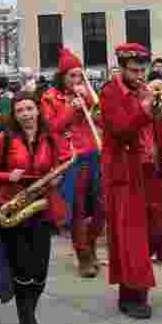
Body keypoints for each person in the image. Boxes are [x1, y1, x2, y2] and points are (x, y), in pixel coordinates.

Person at [100, 43, 162, 319]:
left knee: (150, 230)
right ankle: (134, 293)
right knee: (129, 234)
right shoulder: (109, 93)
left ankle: (132, 290)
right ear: (121, 68)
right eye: (133, 71)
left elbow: (159, 123)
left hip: (150, 170)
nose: (139, 76)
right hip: (124, 171)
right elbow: (120, 129)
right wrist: (144, 108)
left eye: (142, 70)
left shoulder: (145, 90)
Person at [0, 91, 66, 324]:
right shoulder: (4, 138)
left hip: (42, 207)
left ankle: (30, 311)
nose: (25, 115)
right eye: (20, 110)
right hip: (15, 207)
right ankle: (27, 320)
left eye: (29, 109)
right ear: (14, 114)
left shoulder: (50, 138)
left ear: (37, 110)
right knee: (22, 266)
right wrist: (6, 176)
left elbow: (58, 167)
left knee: (40, 269)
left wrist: (57, 177)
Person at [40, 47, 104, 277]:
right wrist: (70, 109)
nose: (77, 80)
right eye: (72, 76)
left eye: (80, 75)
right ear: (62, 77)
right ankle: (83, 254)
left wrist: (93, 107)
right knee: (77, 209)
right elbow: (51, 127)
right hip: (71, 157)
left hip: (94, 153)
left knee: (100, 207)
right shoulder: (49, 97)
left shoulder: (88, 93)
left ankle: (92, 243)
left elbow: (100, 119)